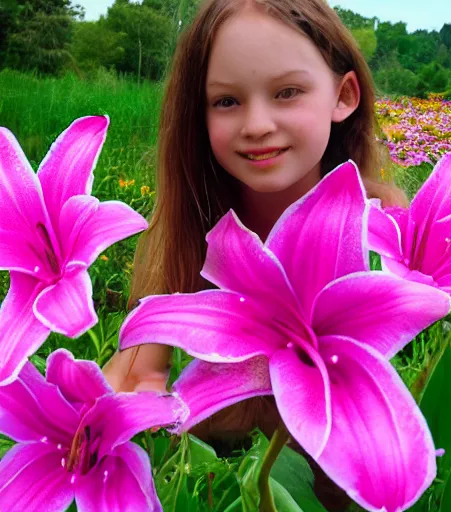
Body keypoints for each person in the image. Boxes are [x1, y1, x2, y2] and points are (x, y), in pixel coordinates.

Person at [102, 0, 407, 508]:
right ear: (197, 114)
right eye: (226, 101)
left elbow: (416, 306)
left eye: (287, 92)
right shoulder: (188, 231)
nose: (257, 125)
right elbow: (141, 366)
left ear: (344, 94)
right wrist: (132, 389)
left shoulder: (387, 223)